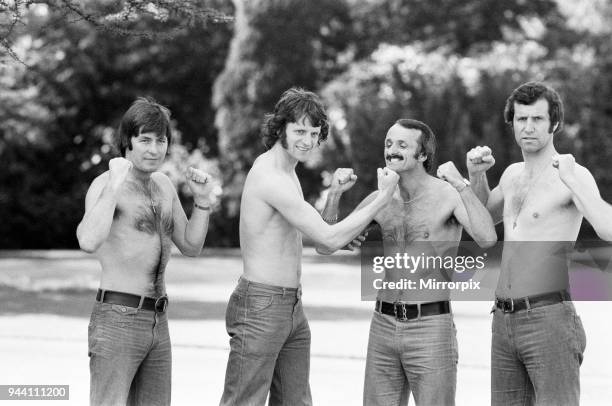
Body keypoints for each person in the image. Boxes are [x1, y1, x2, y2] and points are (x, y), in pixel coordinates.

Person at [219, 88, 399, 406]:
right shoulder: (270, 177)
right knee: (243, 401)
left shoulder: (289, 171)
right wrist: (383, 198)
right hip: (261, 305)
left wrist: (333, 196)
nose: (308, 140)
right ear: (280, 129)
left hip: (291, 306)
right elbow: (330, 238)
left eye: (314, 133)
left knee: (297, 402)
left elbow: (320, 238)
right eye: (299, 130)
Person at [319, 118, 497, 406]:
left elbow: (487, 238)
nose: (392, 150)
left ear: (423, 155)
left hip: (430, 327)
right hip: (383, 323)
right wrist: (335, 194)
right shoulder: (381, 198)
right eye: (389, 144)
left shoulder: (447, 194)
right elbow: (327, 244)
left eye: (403, 145)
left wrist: (463, 184)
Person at [467, 81, 612, 405]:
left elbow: (607, 228)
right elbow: (481, 226)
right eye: (521, 119)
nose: (528, 127)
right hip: (503, 320)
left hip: (549, 319)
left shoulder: (573, 174)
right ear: (512, 123)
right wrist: (476, 177)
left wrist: (573, 179)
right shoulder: (511, 175)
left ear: (555, 123)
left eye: (538, 119)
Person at [76, 97, 216, 406]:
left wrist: (203, 201)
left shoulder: (164, 185)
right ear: (128, 142)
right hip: (117, 318)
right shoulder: (105, 185)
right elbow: (87, 240)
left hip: (158, 321)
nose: (154, 149)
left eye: (161, 141)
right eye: (145, 140)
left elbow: (191, 246)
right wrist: (114, 182)